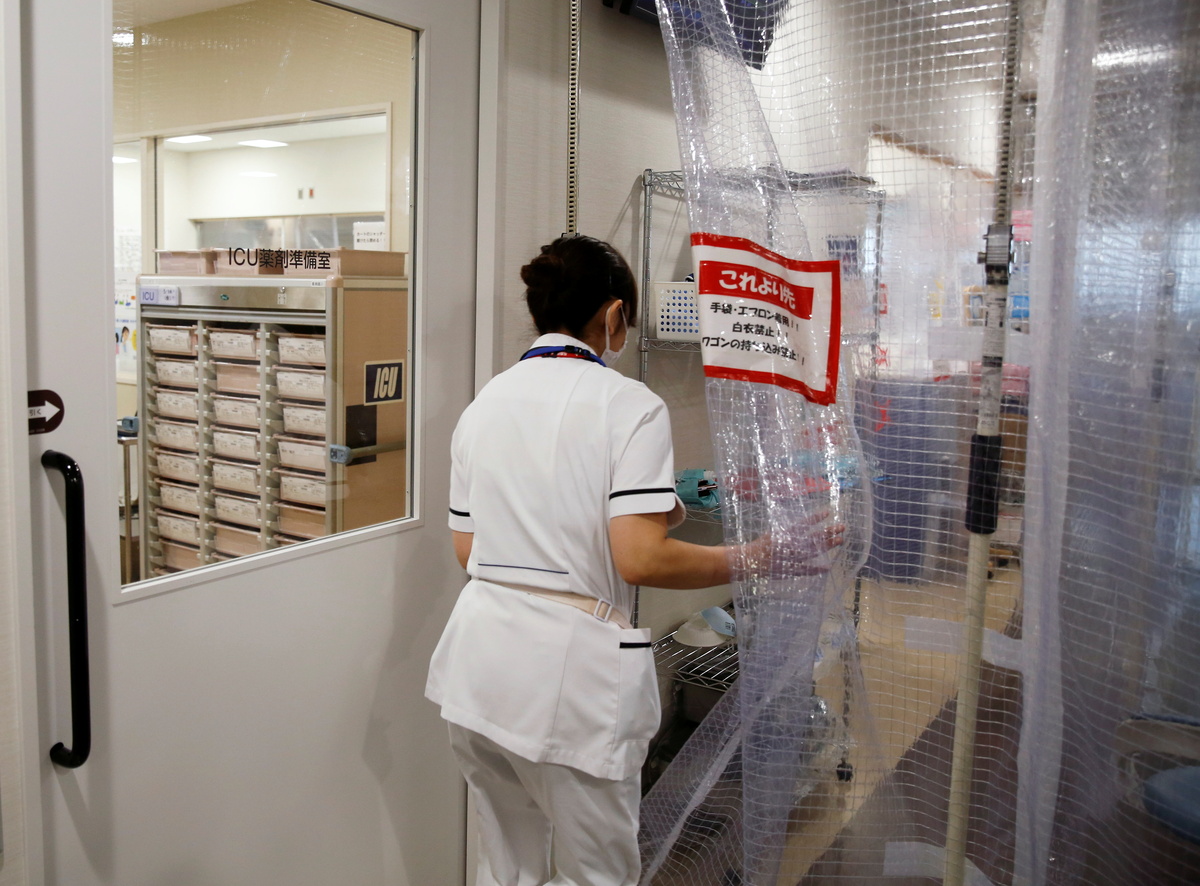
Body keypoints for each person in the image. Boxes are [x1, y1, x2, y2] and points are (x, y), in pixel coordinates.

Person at [426, 234, 837, 886]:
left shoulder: (483, 406)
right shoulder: (628, 405)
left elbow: (469, 549)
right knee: (598, 874)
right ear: (615, 315)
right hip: (564, 684)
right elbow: (642, 560)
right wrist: (760, 556)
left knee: (507, 866)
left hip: (476, 669)